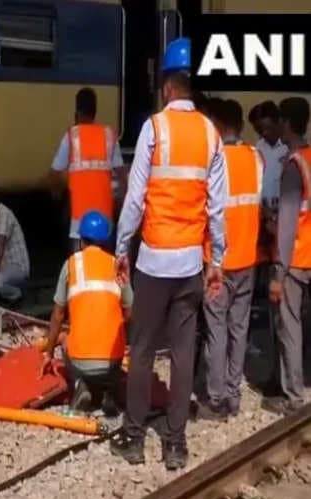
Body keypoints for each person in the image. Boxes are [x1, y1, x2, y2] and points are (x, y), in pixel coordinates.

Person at [110, 37, 226, 470]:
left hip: (155, 261)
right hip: (191, 266)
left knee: (141, 351)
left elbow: (135, 198)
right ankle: (175, 444)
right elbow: (217, 209)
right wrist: (216, 262)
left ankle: (136, 437)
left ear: (166, 86)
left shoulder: (153, 128)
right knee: (182, 353)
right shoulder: (211, 134)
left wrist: (122, 247)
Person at [199, 99, 263, 420]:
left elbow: (207, 210)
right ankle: (234, 394)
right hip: (248, 259)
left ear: (220, 126)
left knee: (216, 329)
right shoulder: (255, 158)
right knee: (239, 328)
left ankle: (216, 398)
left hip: (218, 263)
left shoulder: (216, 160)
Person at [40, 211, 132, 415]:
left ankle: (80, 385)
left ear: (81, 240)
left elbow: (58, 315)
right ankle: (109, 390)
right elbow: (131, 312)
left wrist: (48, 352)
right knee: (115, 343)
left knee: (65, 337)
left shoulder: (71, 264)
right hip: (113, 361)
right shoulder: (116, 265)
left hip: (81, 361)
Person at [264, 97, 311, 416]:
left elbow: (290, 223)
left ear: (288, 124)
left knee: (289, 325)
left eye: (280, 120)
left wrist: (278, 275)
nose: (277, 126)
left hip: (297, 256)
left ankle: (293, 396)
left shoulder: (294, 165)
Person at [47, 88, 127, 247]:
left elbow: (54, 175)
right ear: (95, 110)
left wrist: (58, 196)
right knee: (104, 267)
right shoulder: (109, 135)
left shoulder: (71, 136)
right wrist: (119, 207)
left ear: (76, 110)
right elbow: (122, 178)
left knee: (80, 268)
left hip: (79, 224)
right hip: (105, 223)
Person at [250, 101, 288, 206]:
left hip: (283, 209)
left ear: (278, 122)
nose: (264, 133)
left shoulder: (288, 148)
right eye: (259, 130)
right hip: (263, 209)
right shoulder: (258, 146)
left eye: (267, 128)